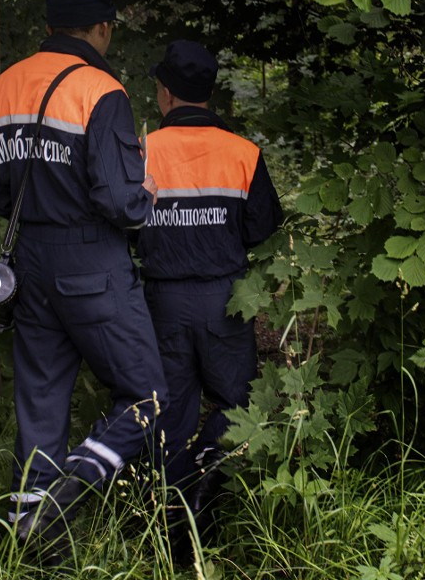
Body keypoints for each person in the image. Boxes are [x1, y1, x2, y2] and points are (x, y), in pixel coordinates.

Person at [0, 0, 168, 549]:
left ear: (47, 28)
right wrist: (147, 198)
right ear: (103, 28)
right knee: (148, 399)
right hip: (91, 261)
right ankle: (75, 485)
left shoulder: (3, 88)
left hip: (29, 263)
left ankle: (32, 544)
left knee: (40, 407)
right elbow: (117, 198)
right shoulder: (100, 90)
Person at [135, 40, 283, 553]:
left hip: (162, 302)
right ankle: (206, 494)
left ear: (165, 93)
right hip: (226, 299)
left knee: (169, 412)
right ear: (209, 92)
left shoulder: (142, 151)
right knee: (236, 404)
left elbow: (122, 222)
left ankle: (171, 525)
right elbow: (262, 226)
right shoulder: (244, 153)